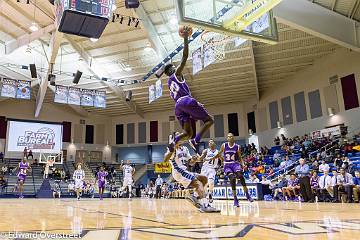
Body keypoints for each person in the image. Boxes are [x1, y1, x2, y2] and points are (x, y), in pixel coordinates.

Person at [165, 26, 214, 153]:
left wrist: (194, 104)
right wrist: (186, 38)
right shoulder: (176, 74)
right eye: (174, 67)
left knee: (188, 133)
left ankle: (175, 140)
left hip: (178, 107)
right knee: (209, 120)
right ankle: (196, 140)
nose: (176, 68)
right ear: (172, 70)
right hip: (185, 101)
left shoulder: (168, 82)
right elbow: (185, 56)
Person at [164, 142, 220, 213]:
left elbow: (190, 163)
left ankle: (194, 196)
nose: (182, 137)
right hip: (178, 172)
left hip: (185, 171)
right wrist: (172, 149)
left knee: (204, 179)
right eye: (179, 136)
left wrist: (194, 159)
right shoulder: (172, 149)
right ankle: (205, 205)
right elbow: (165, 160)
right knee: (198, 183)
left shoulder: (185, 149)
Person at [212, 133, 253, 206]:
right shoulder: (224, 145)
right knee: (232, 179)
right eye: (228, 137)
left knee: (240, 176)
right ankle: (235, 199)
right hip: (227, 165)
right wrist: (215, 158)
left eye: (231, 136)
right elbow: (219, 154)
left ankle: (247, 194)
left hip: (235, 164)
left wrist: (242, 164)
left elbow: (239, 157)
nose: (229, 138)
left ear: (233, 138)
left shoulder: (237, 146)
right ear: (227, 138)